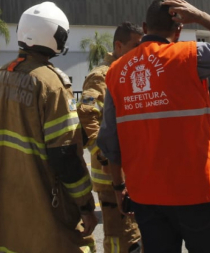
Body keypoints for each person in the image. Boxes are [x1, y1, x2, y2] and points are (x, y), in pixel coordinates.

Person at [98, 0, 210, 253]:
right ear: (180, 29)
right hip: (197, 191)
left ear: (144, 26)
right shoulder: (190, 56)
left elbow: (109, 138)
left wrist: (119, 187)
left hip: (146, 195)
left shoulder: (116, 72)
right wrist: (202, 16)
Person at [0, 2, 97, 253]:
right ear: (58, 37)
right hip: (41, 203)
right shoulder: (52, 83)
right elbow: (65, 155)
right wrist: (85, 205)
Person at [78, 22, 144, 253]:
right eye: (135, 45)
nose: (140, 51)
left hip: (132, 172)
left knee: (136, 235)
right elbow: (87, 116)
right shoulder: (101, 76)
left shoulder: (130, 71)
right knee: (121, 237)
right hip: (110, 177)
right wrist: (104, 154)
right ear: (118, 45)